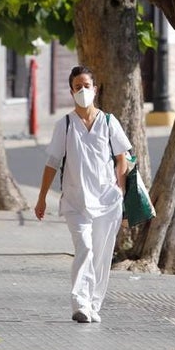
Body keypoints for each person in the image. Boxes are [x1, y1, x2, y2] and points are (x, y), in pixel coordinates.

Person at [35, 66, 131, 324]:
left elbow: (123, 158)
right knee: (85, 248)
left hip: (108, 202)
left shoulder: (109, 122)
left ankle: (94, 304)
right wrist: (42, 197)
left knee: (101, 255)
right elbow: (52, 163)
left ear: (95, 89)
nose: (83, 91)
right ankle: (79, 303)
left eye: (87, 86)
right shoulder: (65, 125)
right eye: (78, 87)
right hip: (76, 202)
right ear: (71, 91)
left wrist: (119, 187)